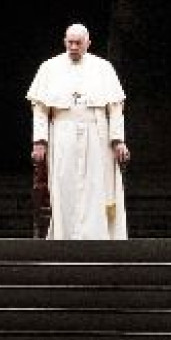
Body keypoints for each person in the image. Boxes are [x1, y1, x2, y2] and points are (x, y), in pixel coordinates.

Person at [27, 23, 130, 239]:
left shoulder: (103, 68)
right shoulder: (49, 68)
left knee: (96, 187)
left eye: (78, 43)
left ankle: (96, 238)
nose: (73, 47)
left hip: (97, 134)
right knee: (64, 185)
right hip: (62, 134)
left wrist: (118, 140)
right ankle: (65, 237)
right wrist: (40, 141)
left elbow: (115, 108)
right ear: (64, 42)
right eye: (70, 42)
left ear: (88, 43)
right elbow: (40, 109)